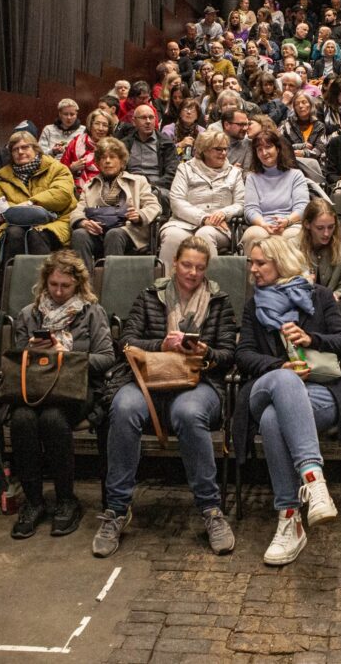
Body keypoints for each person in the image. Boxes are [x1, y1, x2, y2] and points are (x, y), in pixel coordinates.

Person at [94, 236, 238, 558]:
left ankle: (211, 510)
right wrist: (161, 345)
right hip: (149, 379)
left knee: (189, 413)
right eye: (187, 265)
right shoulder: (150, 296)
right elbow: (126, 342)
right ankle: (116, 509)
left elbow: (230, 354)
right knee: (123, 407)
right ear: (175, 263)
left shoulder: (219, 301)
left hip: (199, 382)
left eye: (199, 268)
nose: (192, 273)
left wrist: (206, 351)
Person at [233, 238, 341, 565]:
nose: (253, 269)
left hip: (319, 391)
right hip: (265, 387)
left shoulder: (319, 296)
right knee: (284, 383)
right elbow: (243, 354)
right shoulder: (253, 305)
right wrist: (279, 366)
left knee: (274, 420)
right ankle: (314, 482)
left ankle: (290, 520)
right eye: (252, 263)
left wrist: (312, 339)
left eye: (261, 263)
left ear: (281, 263)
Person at [8, 251, 115, 539]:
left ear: (78, 285)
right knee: (21, 418)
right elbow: (16, 360)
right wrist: (32, 352)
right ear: (45, 282)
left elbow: (107, 357)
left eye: (65, 286)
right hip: (36, 388)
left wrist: (66, 356)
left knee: (53, 419)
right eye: (53, 285)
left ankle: (66, 499)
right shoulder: (29, 314)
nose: (58, 291)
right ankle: (33, 501)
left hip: (76, 389)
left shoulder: (92, 312)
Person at [68, 138, 161, 272]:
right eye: (103, 158)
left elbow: (154, 206)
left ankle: (112, 282)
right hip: (97, 232)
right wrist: (83, 222)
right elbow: (78, 210)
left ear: (122, 161)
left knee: (114, 234)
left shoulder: (138, 181)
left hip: (128, 231)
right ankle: (84, 281)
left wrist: (139, 215)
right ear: (98, 163)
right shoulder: (90, 185)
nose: (107, 161)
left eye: (112, 157)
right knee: (79, 234)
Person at [161, 130, 245, 270]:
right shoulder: (185, 169)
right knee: (172, 236)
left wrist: (224, 213)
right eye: (218, 149)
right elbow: (176, 201)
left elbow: (241, 203)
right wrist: (203, 218)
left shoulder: (234, 173)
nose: (224, 153)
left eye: (225, 149)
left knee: (205, 234)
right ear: (204, 150)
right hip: (184, 223)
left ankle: (212, 282)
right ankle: (165, 281)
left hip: (218, 227)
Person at [0, 131, 76, 265]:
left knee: (36, 233)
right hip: (17, 223)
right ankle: (12, 277)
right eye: (15, 149)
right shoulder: (3, 177)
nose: (20, 152)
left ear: (36, 149)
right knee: (13, 233)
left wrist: (30, 203)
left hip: (57, 221)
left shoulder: (57, 168)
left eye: (25, 147)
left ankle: (43, 277)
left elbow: (62, 194)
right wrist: (22, 211)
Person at [242, 129, 309, 253]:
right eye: (259, 149)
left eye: (268, 147)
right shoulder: (252, 178)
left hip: (291, 223)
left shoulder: (296, 175)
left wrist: (287, 221)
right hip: (262, 224)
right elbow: (250, 209)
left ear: (277, 149)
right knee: (253, 235)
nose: (264, 153)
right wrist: (263, 224)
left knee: (292, 236)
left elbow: (302, 206)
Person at [295, 199, 341, 300]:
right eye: (320, 228)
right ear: (307, 224)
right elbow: (285, 284)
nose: (326, 234)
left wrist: (336, 295)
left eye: (331, 227)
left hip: (333, 304)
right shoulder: (293, 248)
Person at [116, 103, 178, 192]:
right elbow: (118, 171)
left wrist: (151, 186)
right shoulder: (124, 144)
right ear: (134, 121)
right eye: (143, 118)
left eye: (151, 117)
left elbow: (172, 173)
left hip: (157, 187)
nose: (148, 121)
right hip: (130, 187)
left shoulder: (166, 144)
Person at [61, 108, 116, 192]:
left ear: (109, 128)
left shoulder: (114, 146)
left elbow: (117, 173)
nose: (100, 128)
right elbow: (61, 170)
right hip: (74, 188)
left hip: (103, 189)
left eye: (105, 125)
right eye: (97, 124)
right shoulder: (76, 142)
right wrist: (71, 168)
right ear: (90, 125)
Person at [163, 97, 205, 162]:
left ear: (197, 116)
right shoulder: (168, 130)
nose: (189, 112)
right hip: (172, 163)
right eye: (186, 109)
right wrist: (180, 144)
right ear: (180, 113)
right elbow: (164, 153)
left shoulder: (202, 132)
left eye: (193, 111)